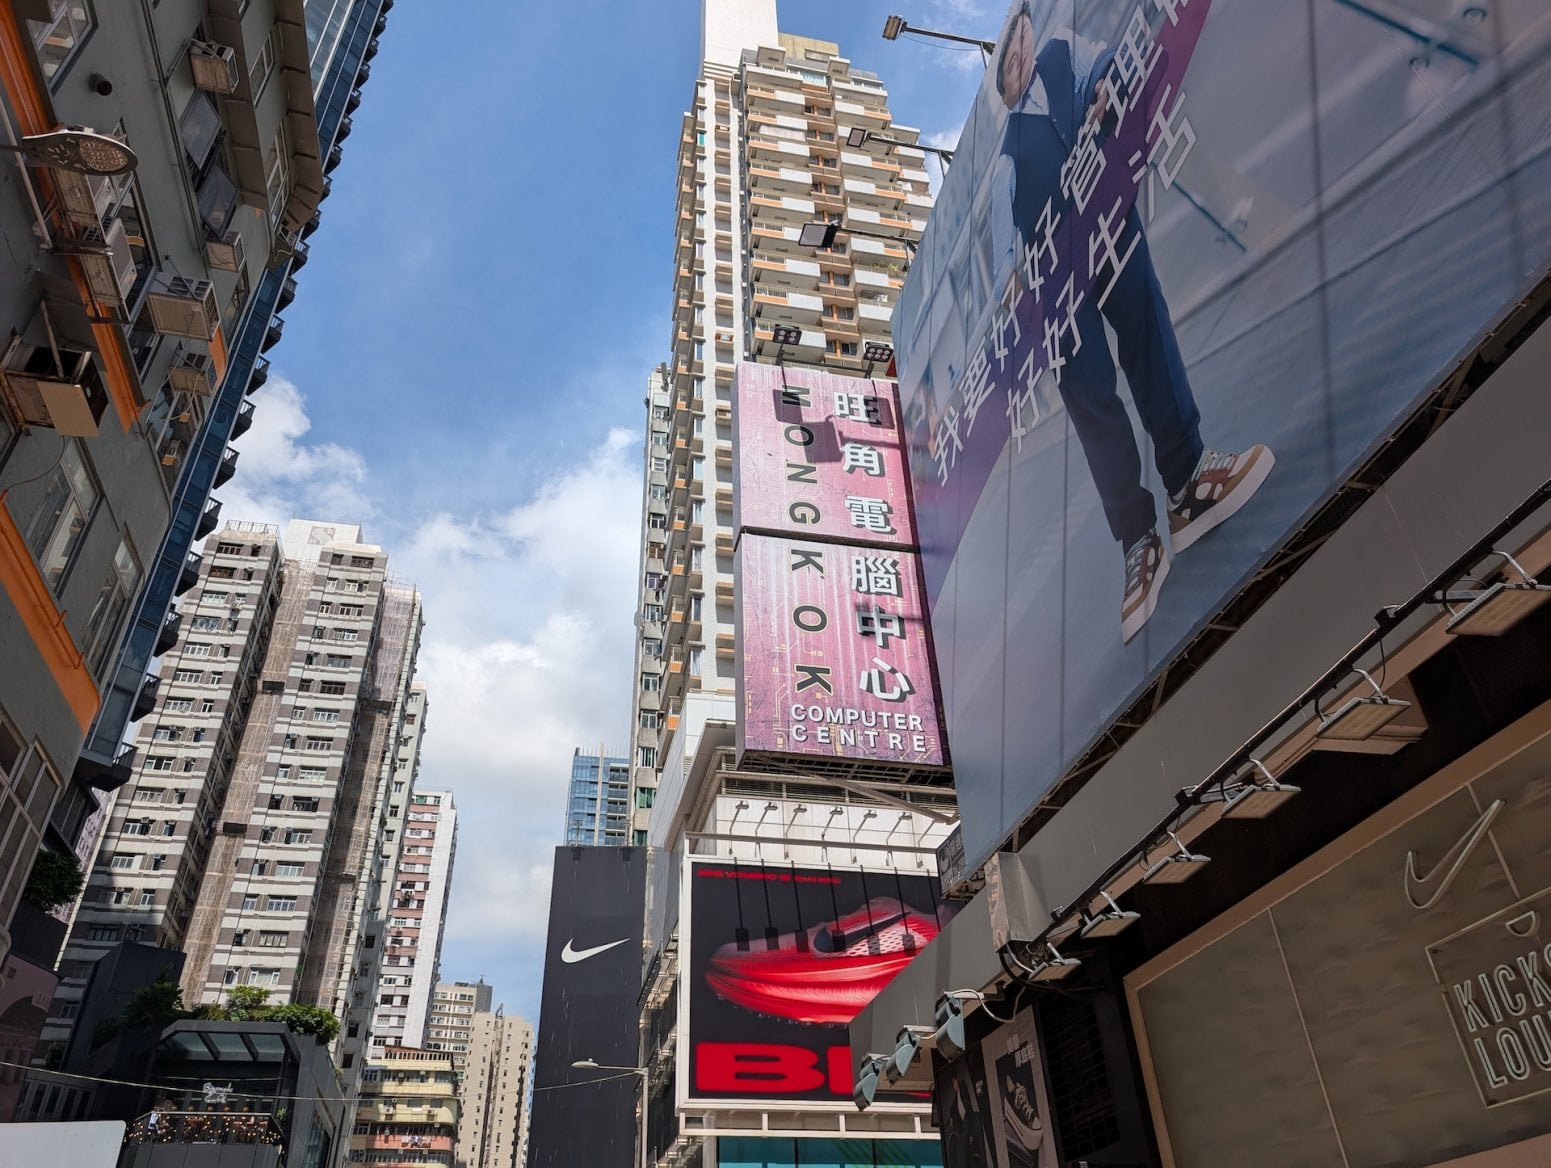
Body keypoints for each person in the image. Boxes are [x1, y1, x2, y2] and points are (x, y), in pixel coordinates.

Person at [994, 4, 1273, 641]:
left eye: (1019, 47)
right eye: (1007, 66)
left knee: (1148, 335)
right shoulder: (1006, 155)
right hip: (1055, 278)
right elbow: (999, 244)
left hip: (1109, 219)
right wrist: (1017, 282)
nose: (1019, 61)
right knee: (1093, 401)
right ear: (1002, 88)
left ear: (1031, 33)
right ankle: (1138, 544)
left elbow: (1110, 66)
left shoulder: (1065, 51)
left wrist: (1106, 88)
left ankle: (1190, 482)